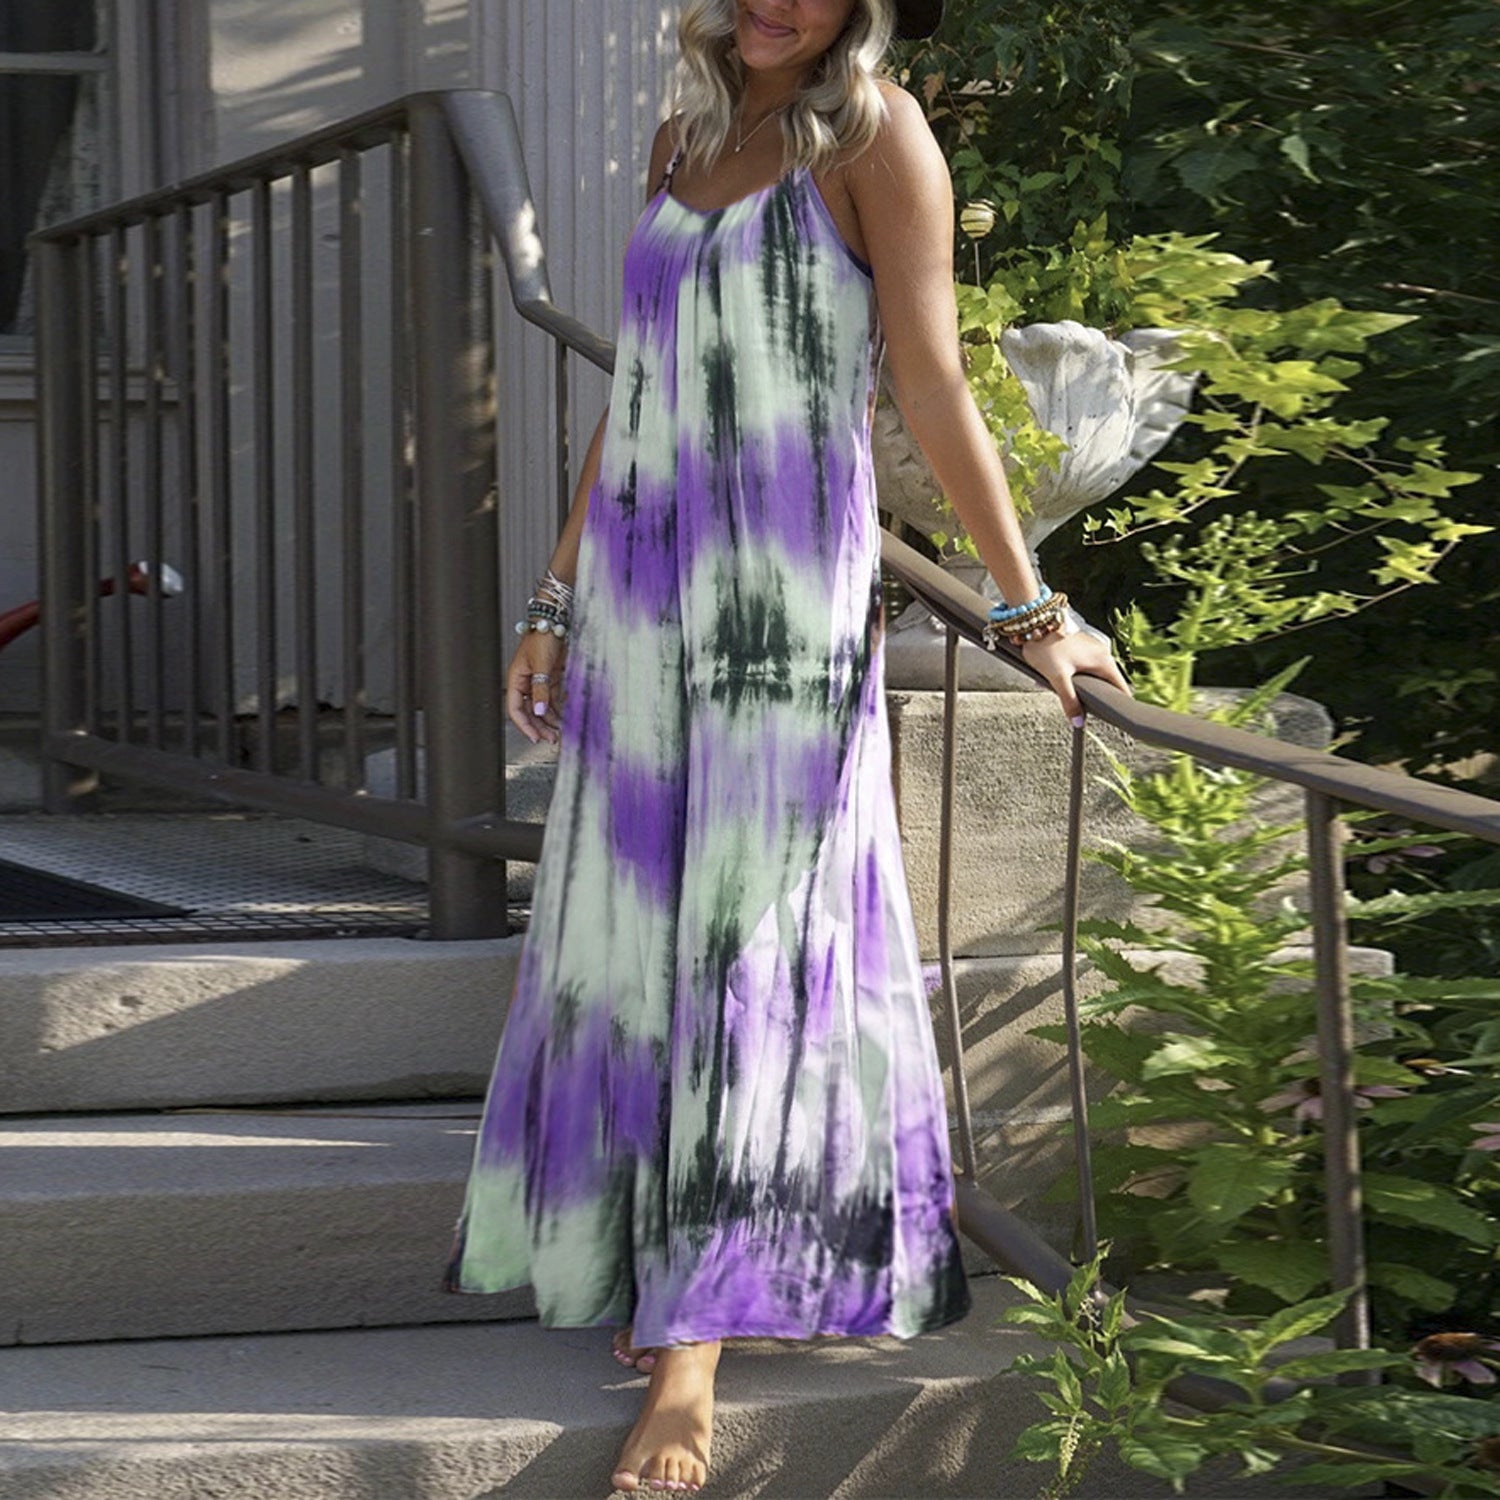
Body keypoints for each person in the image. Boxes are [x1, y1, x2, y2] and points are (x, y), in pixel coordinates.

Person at [445, 1, 1130, 1492]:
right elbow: (638, 388)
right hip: (643, 597)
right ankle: (648, 1242)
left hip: (777, 600)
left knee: (745, 934)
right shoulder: (682, 135)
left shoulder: (879, 135)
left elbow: (929, 379)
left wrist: (1028, 609)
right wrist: (556, 598)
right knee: (637, 928)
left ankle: (693, 1337)